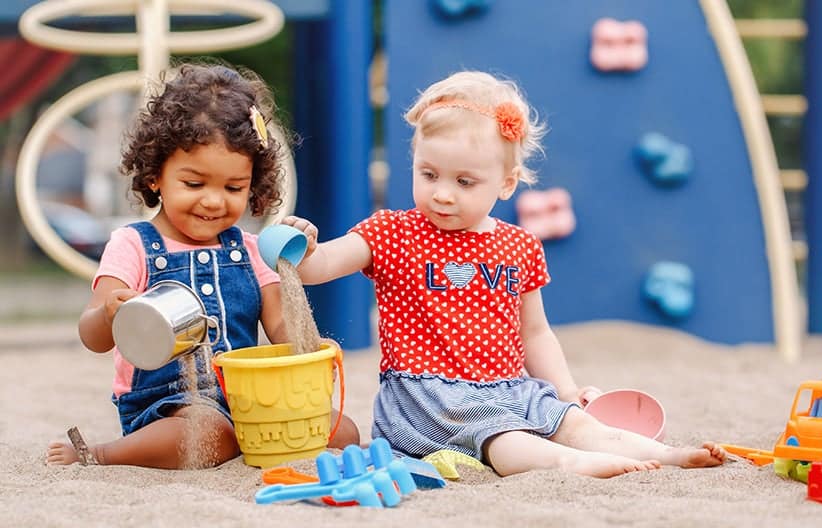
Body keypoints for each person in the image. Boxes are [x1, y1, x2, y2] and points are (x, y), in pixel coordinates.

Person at [282, 70, 726, 478]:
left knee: (573, 420)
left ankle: (663, 453)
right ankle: (572, 464)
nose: (442, 194)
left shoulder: (519, 245)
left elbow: (535, 333)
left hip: (509, 389)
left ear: (506, 183)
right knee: (509, 441)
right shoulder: (392, 232)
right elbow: (318, 268)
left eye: (464, 182)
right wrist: (302, 245)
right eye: (429, 174)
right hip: (430, 400)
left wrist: (567, 391)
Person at [46, 63, 359, 469]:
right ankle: (103, 454)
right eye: (194, 184)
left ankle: (248, 439)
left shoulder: (249, 250)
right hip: (169, 405)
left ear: (254, 184)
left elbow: (282, 325)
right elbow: (93, 337)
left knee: (344, 430)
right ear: (156, 175)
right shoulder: (134, 245)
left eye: (233, 188)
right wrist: (111, 314)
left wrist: (311, 348)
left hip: (251, 398)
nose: (213, 200)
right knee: (207, 434)